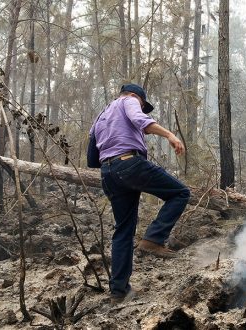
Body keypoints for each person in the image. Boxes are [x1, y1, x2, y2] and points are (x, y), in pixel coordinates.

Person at [90, 83, 190, 303]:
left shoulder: (101, 115)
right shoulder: (129, 101)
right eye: (143, 105)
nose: (142, 108)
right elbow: (140, 121)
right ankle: (153, 239)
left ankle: (118, 292)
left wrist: (112, 166)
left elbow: (91, 154)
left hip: (108, 173)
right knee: (180, 193)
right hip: (129, 164)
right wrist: (170, 135)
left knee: (123, 231)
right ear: (137, 97)